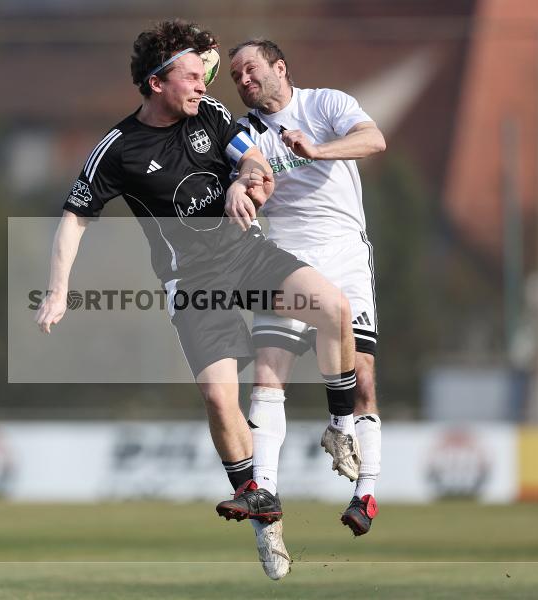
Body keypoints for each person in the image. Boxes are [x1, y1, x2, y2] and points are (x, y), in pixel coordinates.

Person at [34, 20, 359, 580]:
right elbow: (73, 221)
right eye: (192, 76)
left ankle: (341, 427)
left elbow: (255, 160)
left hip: (248, 255)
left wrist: (242, 179)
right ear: (158, 82)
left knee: (333, 307)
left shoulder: (210, 115)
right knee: (217, 394)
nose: (204, 85)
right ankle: (260, 509)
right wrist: (58, 290)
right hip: (192, 281)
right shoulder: (116, 150)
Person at [227, 39, 386, 543]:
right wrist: (242, 188)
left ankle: (365, 491)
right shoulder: (244, 133)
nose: (244, 80)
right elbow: (247, 173)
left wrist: (317, 149)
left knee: (361, 374)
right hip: (287, 260)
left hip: (343, 254)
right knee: (269, 373)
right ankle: (264, 492)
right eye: (236, 77)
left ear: (280, 67)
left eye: (250, 69)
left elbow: (374, 139)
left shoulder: (326, 104)